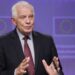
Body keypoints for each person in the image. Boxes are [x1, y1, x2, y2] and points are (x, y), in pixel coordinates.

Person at [0, 1, 64, 75]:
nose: (28, 21)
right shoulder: (2, 42)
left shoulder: (47, 41)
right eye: (23, 17)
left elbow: (59, 71)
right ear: (14, 21)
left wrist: (56, 74)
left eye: (31, 16)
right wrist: (15, 72)